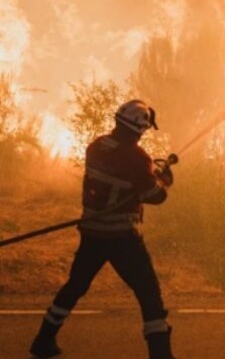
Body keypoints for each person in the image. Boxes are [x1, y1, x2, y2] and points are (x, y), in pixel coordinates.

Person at [30, 99, 177, 359]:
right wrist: (164, 180)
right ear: (140, 129)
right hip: (123, 239)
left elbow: (124, 177)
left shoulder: (96, 147)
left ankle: (44, 340)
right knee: (149, 293)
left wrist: (149, 173)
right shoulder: (136, 158)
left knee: (75, 286)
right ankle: (161, 355)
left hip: (93, 234)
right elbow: (154, 195)